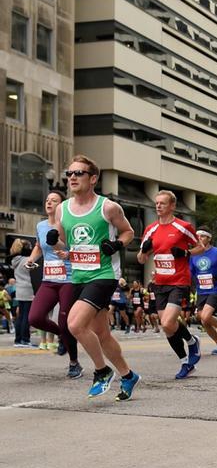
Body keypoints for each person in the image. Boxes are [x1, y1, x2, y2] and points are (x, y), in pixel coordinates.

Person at [47, 155, 140, 400]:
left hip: (103, 274)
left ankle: (102, 371)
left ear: (93, 178)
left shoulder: (108, 207)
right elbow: (66, 243)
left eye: (79, 173)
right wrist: (55, 241)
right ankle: (128, 375)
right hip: (77, 275)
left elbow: (129, 232)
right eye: (70, 174)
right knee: (101, 333)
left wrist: (117, 244)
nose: (73, 178)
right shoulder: (62, 209)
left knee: (75, 324)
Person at [138, 190, 204, 379]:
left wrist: (185, 254)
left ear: (172, 206)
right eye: (156, 203)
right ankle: (186, 359)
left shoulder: (183, 227)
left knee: (167, 322)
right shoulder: (151, 229)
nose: (158, 206)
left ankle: (191, 343)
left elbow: (200, 247)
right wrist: (143, 251)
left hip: (179, 281)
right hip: (160, 283)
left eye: (162, 203)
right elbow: (141, 260)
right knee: (168, 326)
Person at [25, 190, 82, 377]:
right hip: (48, 280)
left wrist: (68, 253)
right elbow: (39, 246)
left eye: (54, 200)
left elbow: (78, 247)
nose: (49, 203)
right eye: (47, 200)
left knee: (65, 323)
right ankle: (61, 335)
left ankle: (74, 363)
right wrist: (31, 259)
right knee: (35, 318)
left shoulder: (67, 224)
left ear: (61, 205)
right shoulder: (41, 225)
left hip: (68, 279)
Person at [190, 225, 217, 355]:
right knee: (203, 320)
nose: (199, 238)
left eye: (202, 236)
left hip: (215, 289)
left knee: (206, 316)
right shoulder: (193, 254)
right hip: (201, 290)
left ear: (209, 238)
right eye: (198, 236)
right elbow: (190, 272)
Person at [10, 239, 35, 347]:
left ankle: (18, 339)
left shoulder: (15, 260)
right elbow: (34, 271)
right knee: (26, 315)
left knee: (20, 315)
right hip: (28, 288)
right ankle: (25, 339)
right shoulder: (27, 260)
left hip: (19, 289)